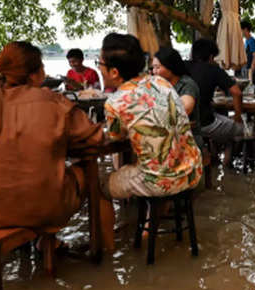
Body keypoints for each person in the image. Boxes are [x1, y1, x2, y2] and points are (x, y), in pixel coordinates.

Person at [0, 42, 103, 227]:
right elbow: (96, 138)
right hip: (47, 209)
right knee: (82, 169)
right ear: (37, 74)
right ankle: (57, 241)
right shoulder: (55, 102)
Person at [98, 33, 202, 200]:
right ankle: (149, 224)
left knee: (100, 186)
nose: (99, 68)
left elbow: (116, 137)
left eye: (100, 63)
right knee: (149, 164)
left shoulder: (114, 103)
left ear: (114, 72)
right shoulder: (161, 82)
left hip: (161, 182)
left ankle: (118, 224)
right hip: (192, 170)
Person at [185, 38, 244, 145]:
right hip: (205, 123)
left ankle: (213, 153)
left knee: (224, 124)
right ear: (211, 56)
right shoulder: (214, 70)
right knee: (240, 130)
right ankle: (226, 158)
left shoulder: (183, 67)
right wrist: (238, 117)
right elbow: (237, 93)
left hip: (183, 123)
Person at [152, 47, 204, 149]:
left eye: (158, 67)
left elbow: (184, 109)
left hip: (188, 139)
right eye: (153, 68)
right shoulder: (159, 85)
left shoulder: (187, 84)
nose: (154, 72)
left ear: (170, 67)